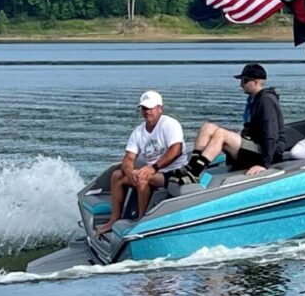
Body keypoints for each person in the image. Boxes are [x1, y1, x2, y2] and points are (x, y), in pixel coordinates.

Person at [96, 90, 187, 235]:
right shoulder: (138, 132)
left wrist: (153, 168)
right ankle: (114, 219)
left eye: (150, 108)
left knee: (143, 176)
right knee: (117, 176)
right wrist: (129, 171)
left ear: (160, 108)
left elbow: (176, 150)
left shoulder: (169, 124)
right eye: (144, 108)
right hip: (152, 171)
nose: (147, 112)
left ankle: (141, 220)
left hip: (173, 171)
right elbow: (128, 158)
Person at [185, 63, 285, 178]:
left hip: (268, 154)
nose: (241, 85)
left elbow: (271, 134)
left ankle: (195, 173)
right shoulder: (253, 99)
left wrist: (264, 164)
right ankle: (192, 166)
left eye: (244, 81)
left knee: (222, 134)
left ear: (256, 82)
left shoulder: (266, 101)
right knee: (207, 127)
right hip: (255, 145)